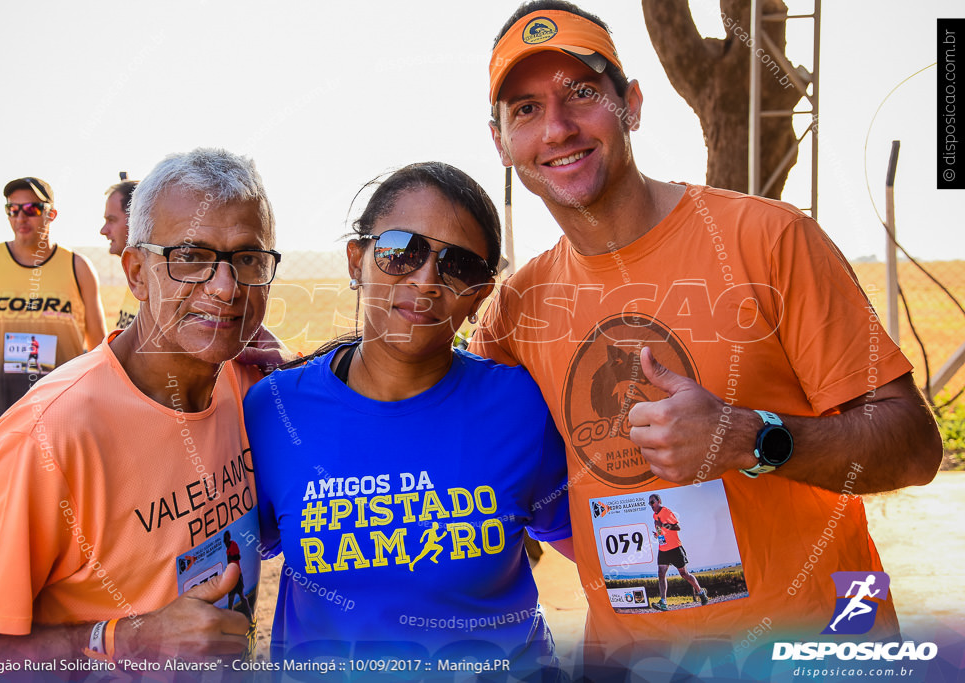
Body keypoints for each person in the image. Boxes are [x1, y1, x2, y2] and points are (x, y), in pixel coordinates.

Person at [470, 0, 942, 673]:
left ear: (631, 103)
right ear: (500, 141)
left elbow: (915, 446)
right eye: (525, 108)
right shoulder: (520, 307)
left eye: (582, 92)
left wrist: (751, 436)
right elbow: (436, 409)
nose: (558, 126)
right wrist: (288, 371)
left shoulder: (770, 240)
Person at [0, 148, 282, 667]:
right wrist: (130, 640)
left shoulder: (248, 384)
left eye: (248, 259)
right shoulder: (48, 437)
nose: (225, 287)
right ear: (136, 272)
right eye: (189, 256)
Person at [243, 162, 573, 678]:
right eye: (403, 250)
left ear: (480, 295)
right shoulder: (274, 411)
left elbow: (604, 549)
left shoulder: (519, 407)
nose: (425, 281)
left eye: (459, 266)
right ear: (357, 260)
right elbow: (222, 559)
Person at [0, 177, 106, 520]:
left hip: (62, 422)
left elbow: (100, 351)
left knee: (56, 526)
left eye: (32, 209)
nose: (21, 217)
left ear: (52, 214)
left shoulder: (78, 268)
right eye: (13, 209)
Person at [648, 494, 707, 611]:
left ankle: (701, 593)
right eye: (649, 503)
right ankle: (663, 602)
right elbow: (662, 530)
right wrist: (658, 534)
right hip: (663, 549)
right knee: (661, 574)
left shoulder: (666, 512)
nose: (651, 505)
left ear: (659, 501)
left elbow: (677, 527)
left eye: (652, 502)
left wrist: (663, 525)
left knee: (684, 574)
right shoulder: (654, 515)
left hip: (675, 548)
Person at [100, 175, 141, 328]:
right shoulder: (138, 274)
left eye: (111, 220)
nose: (103, 231)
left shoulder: (158, 285)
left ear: (135, 221)